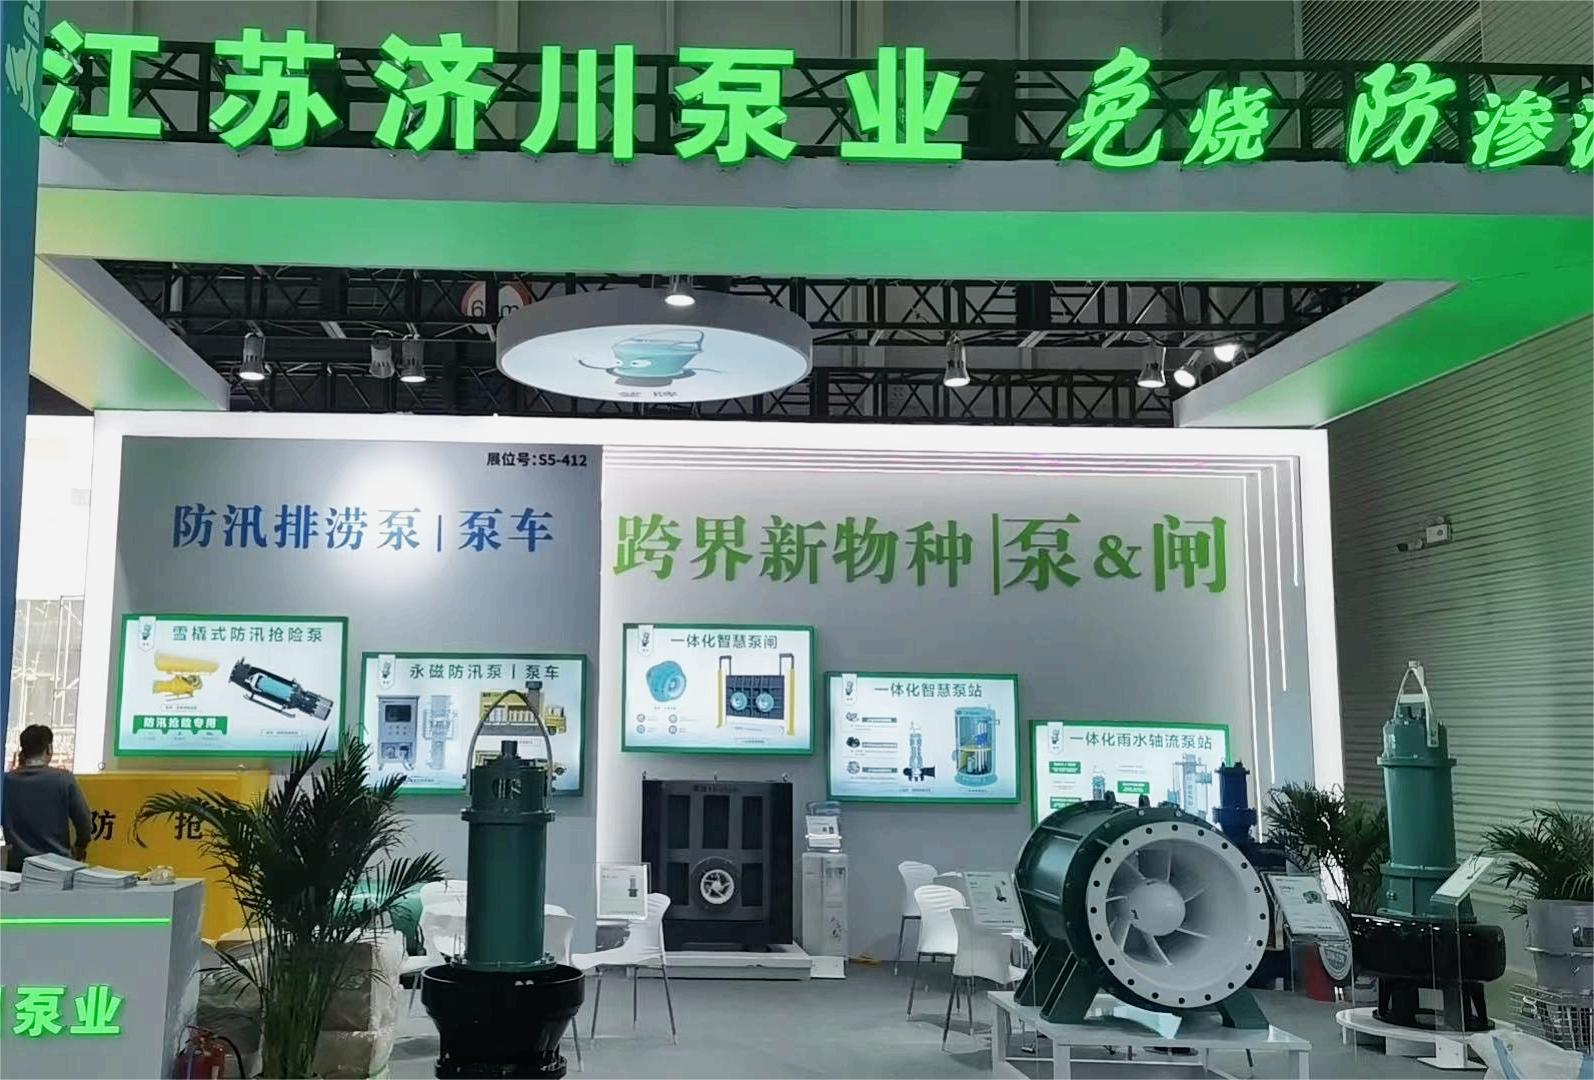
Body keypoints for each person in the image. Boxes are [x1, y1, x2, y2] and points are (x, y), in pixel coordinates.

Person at [3, 725, 93, 872]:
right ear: (49, 748)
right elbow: (84, 821)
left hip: (17, 867)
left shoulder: (6, 782)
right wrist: (80, 846)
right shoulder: (64, 779)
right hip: (57, 867)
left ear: (23, 750)